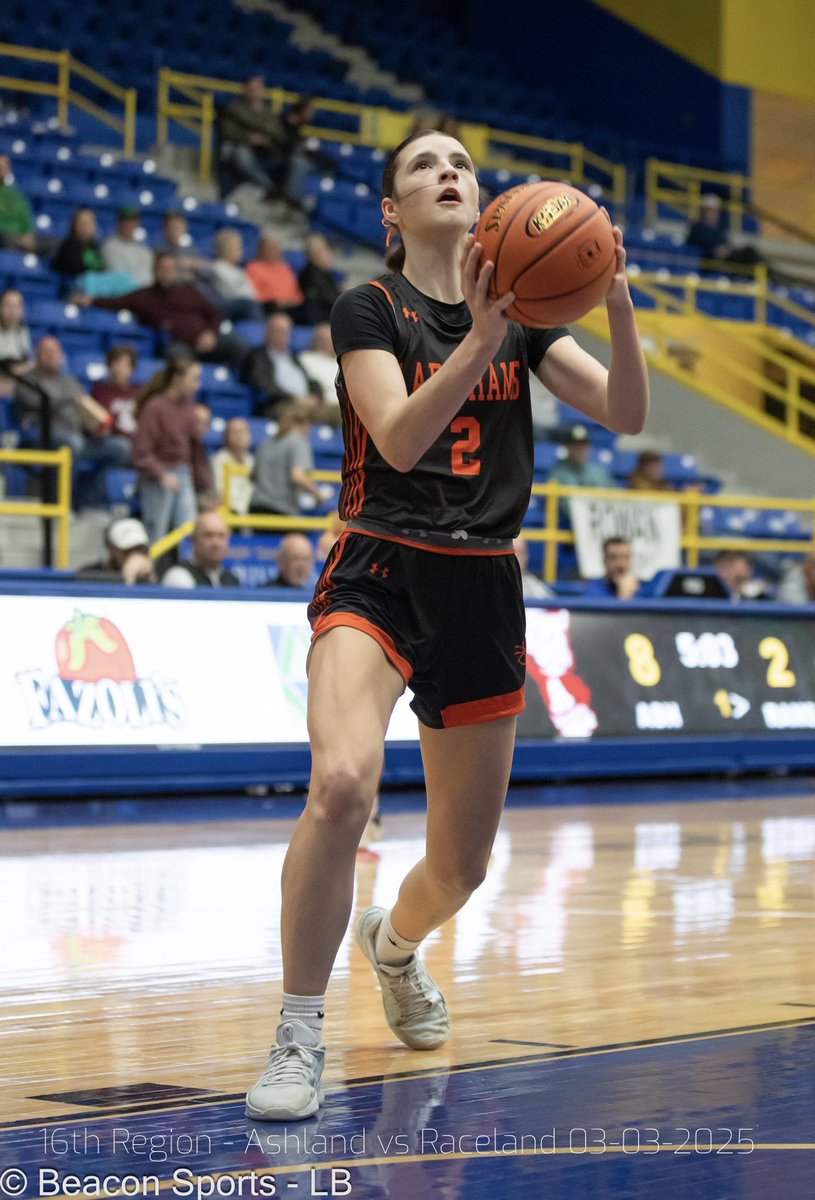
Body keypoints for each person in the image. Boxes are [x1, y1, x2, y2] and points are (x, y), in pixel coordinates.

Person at [244, 127, 648, 1122]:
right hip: (379, 564)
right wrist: (476, 336)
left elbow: (626, 416)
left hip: (481, 584)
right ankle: (299, 1035)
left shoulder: (529, 318)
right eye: (424, 166)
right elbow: (398, 434)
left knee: (461, 866)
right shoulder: (367, 306)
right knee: (340, 788)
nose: (448, 174)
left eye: (461, 164)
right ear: (392, 212)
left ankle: (392, 946)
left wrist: (617, 302)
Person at [75, 253, 249, 372]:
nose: (166, 272)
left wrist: (210, 334)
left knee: (239, 346)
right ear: (155, 271)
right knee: (179, 362)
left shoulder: (189, 290)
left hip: (206, 338)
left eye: (170, 268)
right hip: (179, 344)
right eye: (162, 268)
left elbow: (214, 314)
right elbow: (116, 302)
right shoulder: (144, 296)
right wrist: (90, 300)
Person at [15, 336, 131, 504]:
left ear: (62, 355)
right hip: (44, 439)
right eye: (47, 352)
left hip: (79, 438)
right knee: (72, 444)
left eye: (55, 352)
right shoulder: (28, 380)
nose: (52, 356)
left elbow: (83, 410)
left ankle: (90, 500)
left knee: (121, 448)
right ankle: (60, 504)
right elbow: (38, 401)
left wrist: (95, 427)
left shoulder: (71, 382)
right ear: (37, 355)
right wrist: (69, 399)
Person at [132, 358, 213, 542]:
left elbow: (196, 452)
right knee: (156, 536)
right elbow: (142, 452)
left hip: (183, 474)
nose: (197, 385)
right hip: (157, 478)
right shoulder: (154, 407)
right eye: (194, 378)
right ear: (178, 378)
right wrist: (161, 474)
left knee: (190, 534)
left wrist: (207, 488)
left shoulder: (189, 409)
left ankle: (188, 570)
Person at [251, 403, 324, 515]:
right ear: (305, 424)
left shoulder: (266, 443)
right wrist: (318, 495)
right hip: (281, 511)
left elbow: (253, 476)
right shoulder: (299, 442)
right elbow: (298, 476)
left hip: (255, 508)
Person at [242, 312, 321, 416]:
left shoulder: (294, 357)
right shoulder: (258, 357)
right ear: (268, 332)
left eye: (287, 331)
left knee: (340, 413)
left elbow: (310, 380)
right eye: (279, 331)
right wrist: (294, 398)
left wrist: (316, 396)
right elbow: (264, 385)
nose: (283, 335)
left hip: (306, 404)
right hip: (280, 405)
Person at [685, 194, 763, 273]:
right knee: (749, 253)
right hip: (710, 262)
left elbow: (727, 244)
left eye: (715, 210)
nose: (712, 213)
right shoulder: (697, 228)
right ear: (703, 211)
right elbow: (694, 247)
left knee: (750, 252)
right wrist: (715, 250)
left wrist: (727, 249)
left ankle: (768, 275)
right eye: (709, 210)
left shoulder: (720, 229)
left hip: (726, 258)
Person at [161, 511, 240, 588]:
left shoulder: (233, 580)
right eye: (209, 535)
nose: (216, 543)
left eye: (221, 536)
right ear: (194, 540)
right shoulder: (179, 576)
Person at [205, 229, 265, 322]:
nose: (241, 251)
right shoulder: (217, 268)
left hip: (247, 304)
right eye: (237, 247)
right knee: (249, 305)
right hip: (230, 305)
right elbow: (231, 293)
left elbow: (253, 294)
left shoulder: (239, 271)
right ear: (224, 248)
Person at [76, 517, 155, 582]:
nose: (135, 558)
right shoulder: (90, 575)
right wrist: (128, 576)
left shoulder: (155, 575)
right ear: (112, 549)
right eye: (128, 551)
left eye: (141, 550)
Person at [246, 233, 304, 316]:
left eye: (275, 247)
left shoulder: (285, 268)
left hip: (292, 307)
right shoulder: (254, 267)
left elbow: (298, 295)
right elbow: (255, 294)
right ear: (261, 250)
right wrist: (279, 302)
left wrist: (290, 302)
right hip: (270, 306)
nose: (273, 250)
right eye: (269, 247)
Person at [90, 346, 140, 442]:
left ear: (132, 370)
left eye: (124, 365)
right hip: (112, 440)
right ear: (109, 366)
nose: (119, 369)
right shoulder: (100, 390)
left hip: (136, 438)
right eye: (116, 364)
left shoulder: (139, 392)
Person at [550, 425, 616, 489]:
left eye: (583, 446)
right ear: (568, 447)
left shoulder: (599, 472)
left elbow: (617, 494)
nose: (580, 450)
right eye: (576, 446)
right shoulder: (559, 472)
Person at [101, 207, 153, 287]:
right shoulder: (110, 246)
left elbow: (149, 278)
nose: (129, 226)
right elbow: (118, 276)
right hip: (121, 295)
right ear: (119, 224)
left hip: (143, 295)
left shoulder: (144, 250)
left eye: (133, 222)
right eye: (126, 222)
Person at [212, 416, 254, 514]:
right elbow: (219, 493)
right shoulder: (218, 461)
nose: (240, 436)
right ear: (226, 437)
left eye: (244, 431)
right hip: (227, 514)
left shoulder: (254, 462)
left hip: (251, 515)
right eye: (235, 432)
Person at [298, 235, 342, 325]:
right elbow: (329, 300)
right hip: (322, 321)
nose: (330, 255)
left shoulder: (326, 274)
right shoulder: (311, 274)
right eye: (326, 251)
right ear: (315, 254)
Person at [157, 210, 207, 282]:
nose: (175, 230)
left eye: (178, 227)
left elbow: (205, 266)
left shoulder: (190, 248)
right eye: (172, 227)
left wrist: (192, 263)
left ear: (185, 228)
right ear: (165, 229)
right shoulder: (160, 249)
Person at [0, 288, 34, 395]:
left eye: (17, 306)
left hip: (17, 380)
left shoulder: (23, 331)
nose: (12, 311)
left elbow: (26, 359)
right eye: (8, 306)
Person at [0, 153, 35, 251]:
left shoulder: (17, 195)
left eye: (3, 167)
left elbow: (26, 220)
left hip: (16, 239)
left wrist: (28, 234)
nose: (1, 170)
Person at [512, 535, 554, 600]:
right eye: (512, 553)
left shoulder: (534, 586)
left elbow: (551, 604)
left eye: (520, 553)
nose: (517, 558)